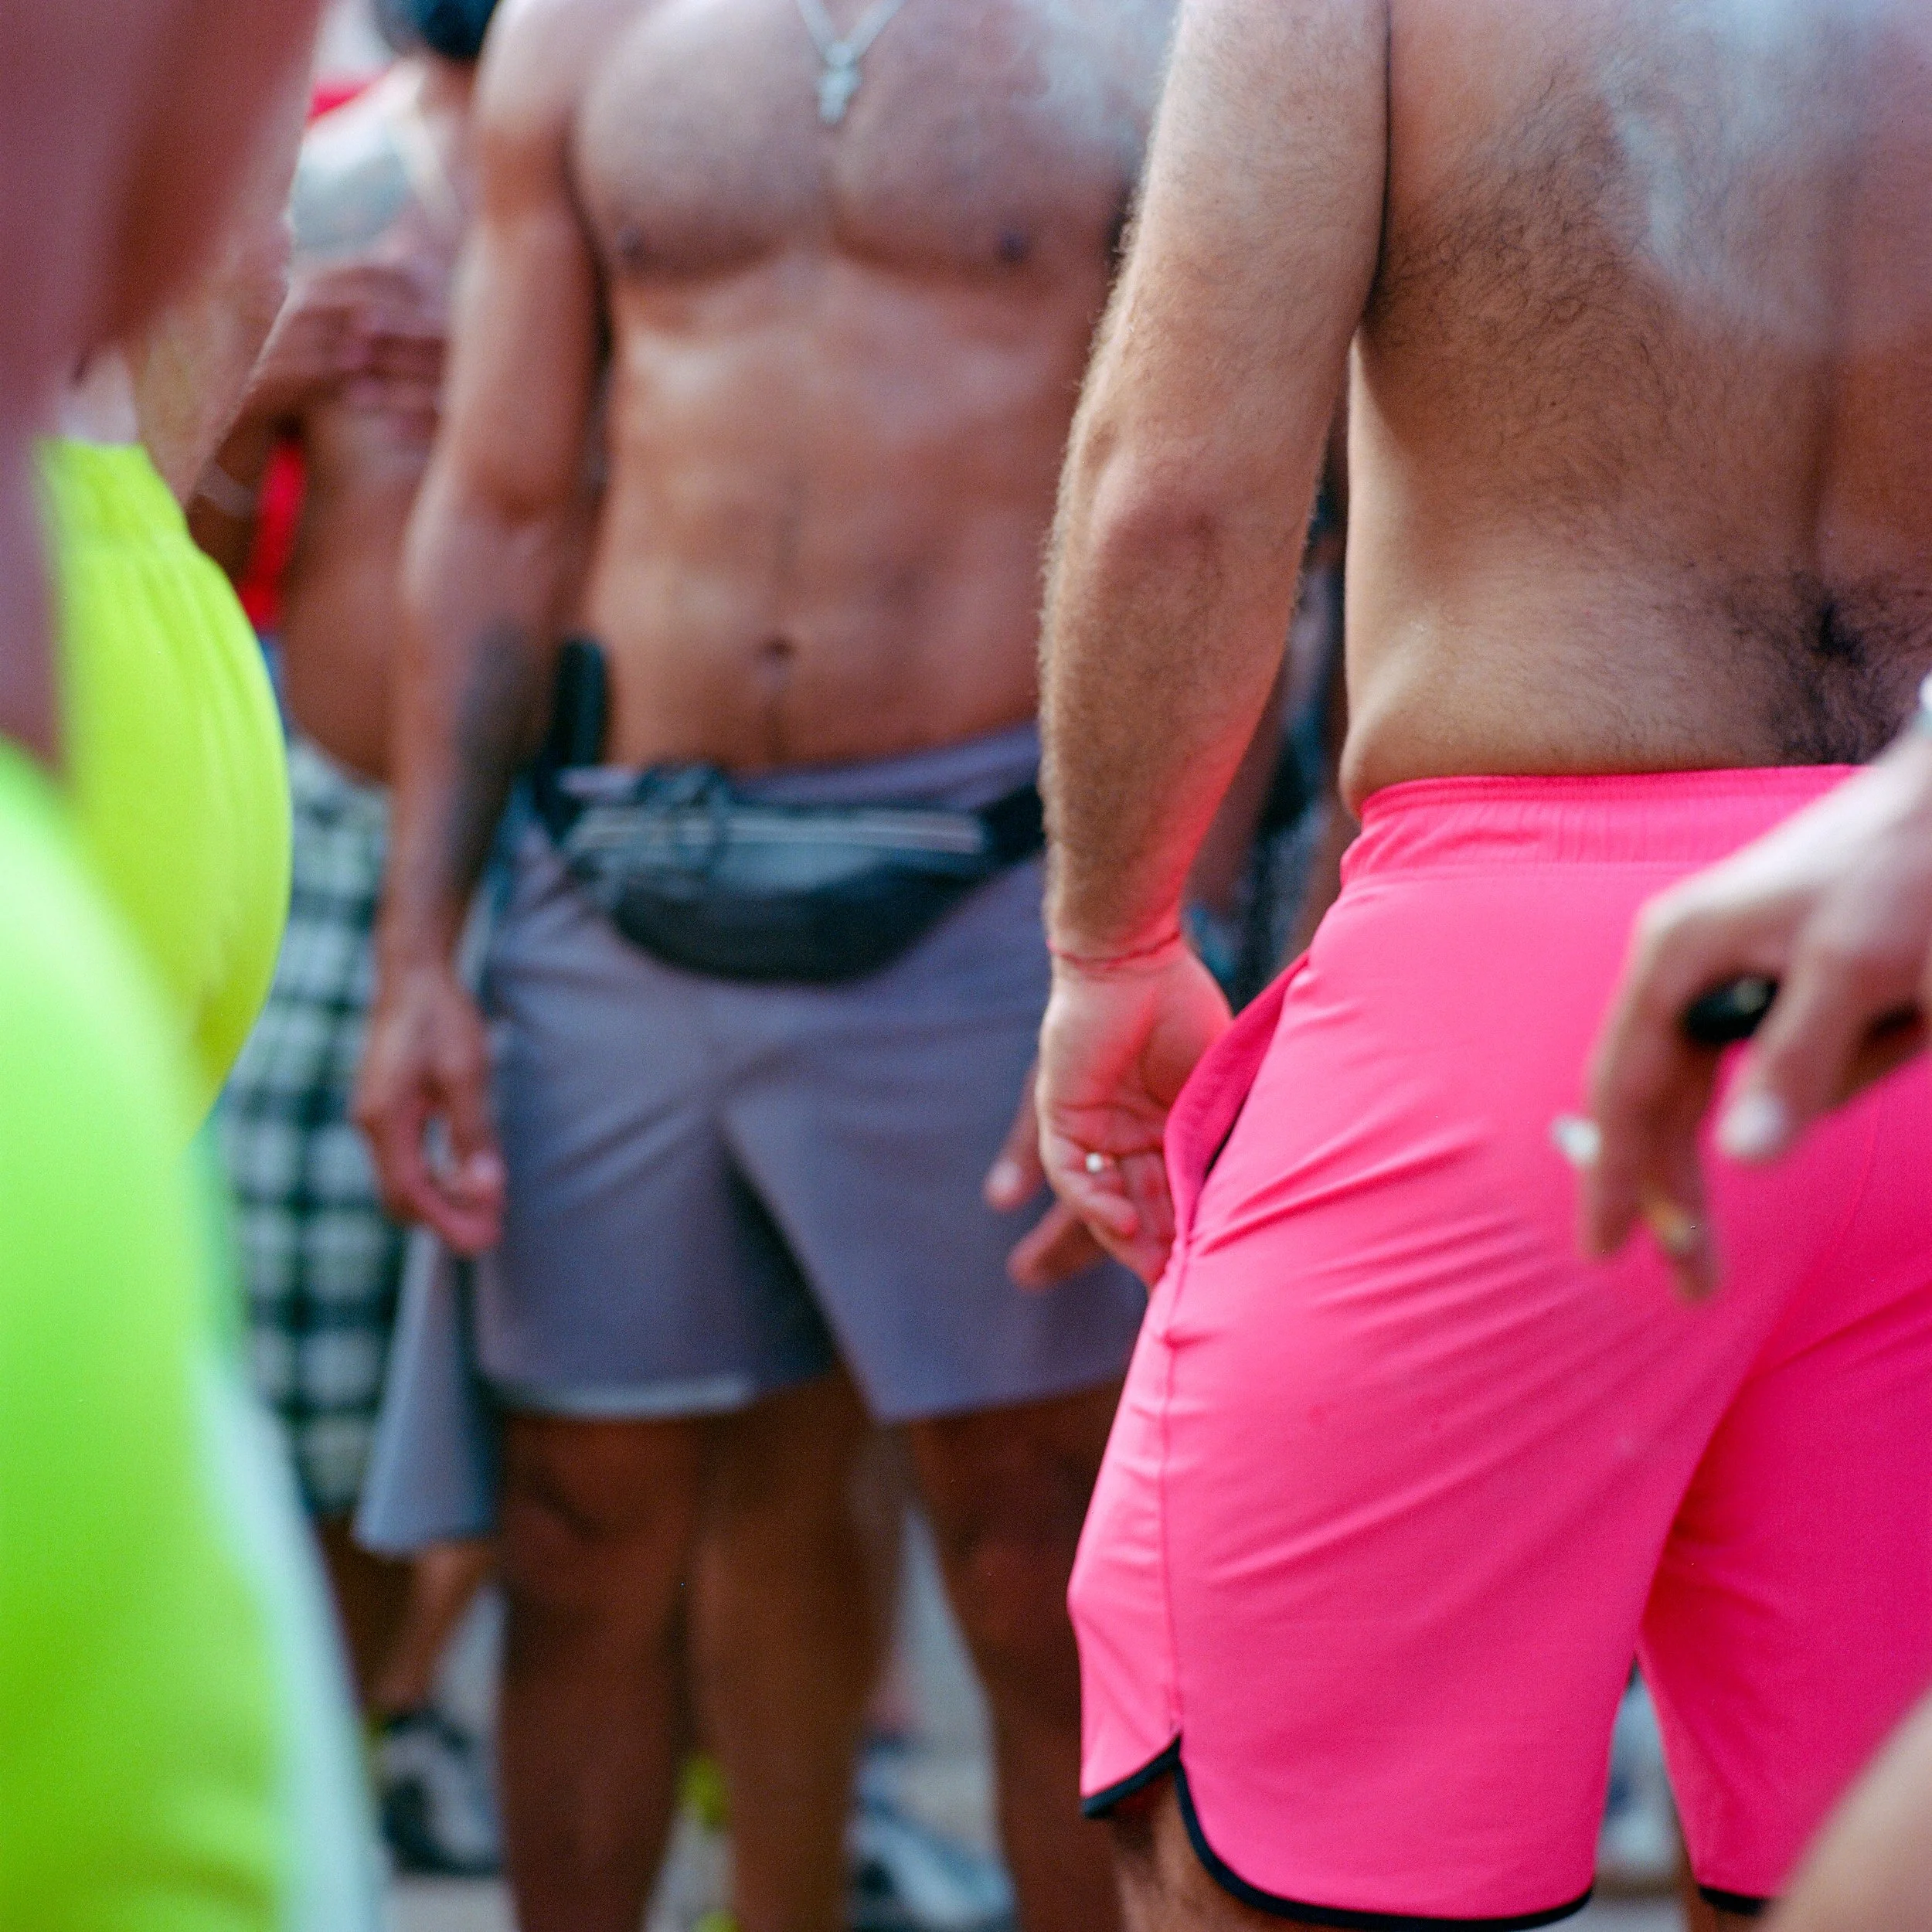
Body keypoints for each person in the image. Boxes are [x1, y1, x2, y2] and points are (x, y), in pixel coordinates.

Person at [1033, 2, 1932, 1927]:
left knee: (1258, 1869)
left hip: (1524, 996)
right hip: (1906, 932)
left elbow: (1176, 485)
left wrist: (1108, 934)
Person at [352, 2, 1172, 1926]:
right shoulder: (579, 32)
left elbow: (1239, 514)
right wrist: (419, 950)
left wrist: (1149, 919)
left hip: (996, 878)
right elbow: (497, 496)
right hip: (610, 862)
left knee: (1033, 1550)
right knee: (573, 1540)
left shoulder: (1141, 32)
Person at [198, 0, 503, 1872]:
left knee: (567, 1412)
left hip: (564, 845)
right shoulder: (326, 187)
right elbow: (186, 551)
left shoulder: (623, 161)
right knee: (301, 1355)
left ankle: (392, 1720)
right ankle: (336, 1744)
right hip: (320, 835)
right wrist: (263, 386)